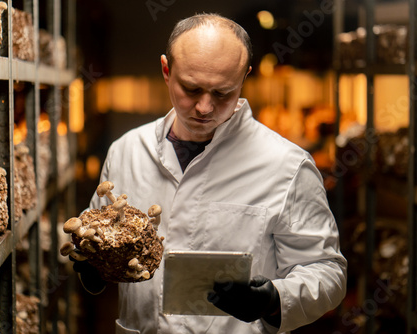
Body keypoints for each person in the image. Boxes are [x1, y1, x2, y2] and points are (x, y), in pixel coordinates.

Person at [75, 13, 347, 334]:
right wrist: (92, 265)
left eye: (222, 93)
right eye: (191, 89)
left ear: (244, 77)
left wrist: (273, 299)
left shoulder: (287, 165)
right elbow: (93, 239)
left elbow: (326, 270)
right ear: (166, 71)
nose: (204, 107)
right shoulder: (127, 151)